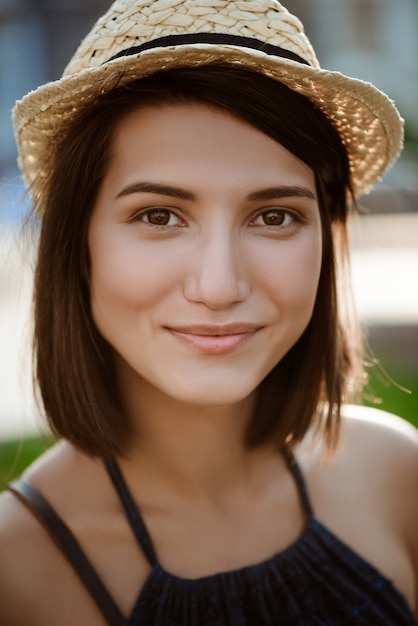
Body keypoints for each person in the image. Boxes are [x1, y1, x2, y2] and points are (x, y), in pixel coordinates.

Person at [0, 0, 417, 624]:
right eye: (159, 216)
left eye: (275, 216)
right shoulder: (16, 567)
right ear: (79, 246)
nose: (219, 286)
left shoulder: (393, 473)